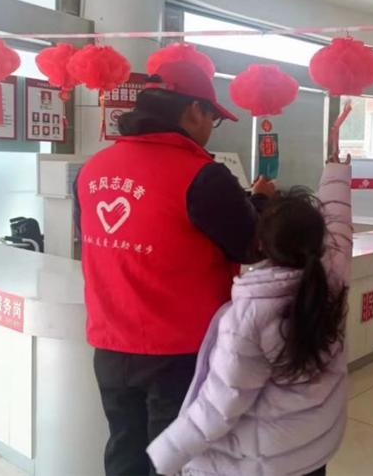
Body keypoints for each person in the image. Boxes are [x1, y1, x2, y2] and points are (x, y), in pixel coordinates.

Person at [74, 60, 275, 476]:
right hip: (179, 351)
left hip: (110, 343)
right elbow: (252, 246)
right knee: (176, 460)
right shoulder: (202, 175)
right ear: (194, 110)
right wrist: (260, 202)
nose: (211, 128)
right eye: (213, 118)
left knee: (124, 448)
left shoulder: (93, 169)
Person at [146, 155, 352, 476]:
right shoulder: (331, 278)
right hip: (312, 449)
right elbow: (339, 225)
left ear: (260, 245)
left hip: (265, 461)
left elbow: (220, 405)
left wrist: (167, 452)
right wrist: (337, 172)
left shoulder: (249, 315)